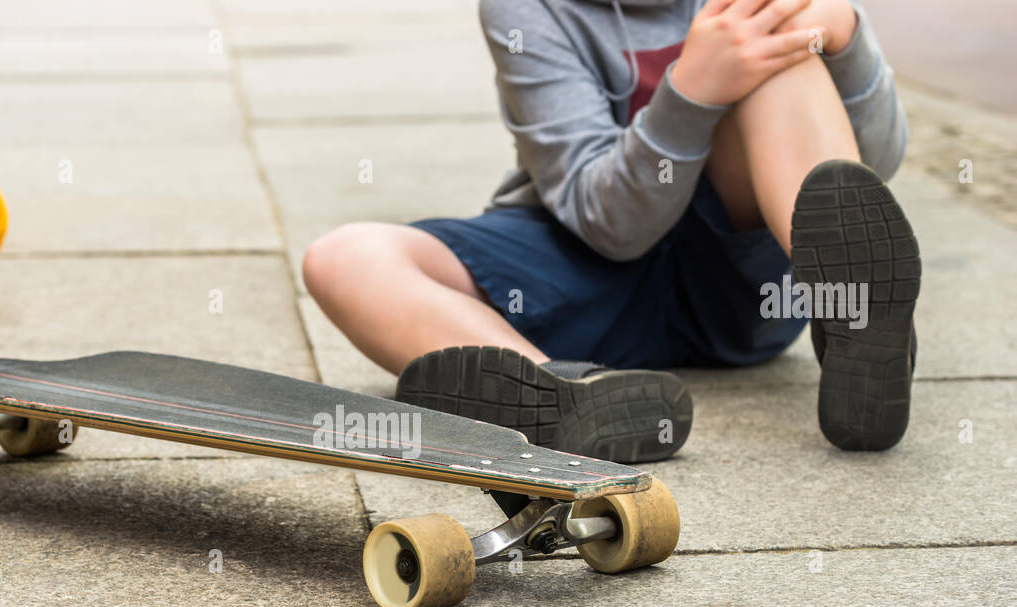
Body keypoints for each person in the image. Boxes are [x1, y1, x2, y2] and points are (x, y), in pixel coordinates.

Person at [302, 0, 919, 459]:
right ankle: (563, 399)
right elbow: (610, 228)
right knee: (344, 258)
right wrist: (691, 90)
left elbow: (872, 169)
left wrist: (846, 40)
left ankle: (853, 317)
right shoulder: (526, 10)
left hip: (741, 275)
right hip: (585, 260)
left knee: (781, 56)